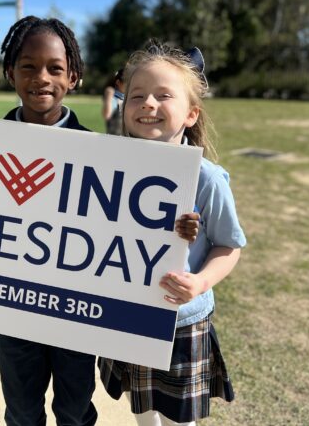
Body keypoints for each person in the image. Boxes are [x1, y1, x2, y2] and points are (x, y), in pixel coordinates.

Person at [0, 17, 199, 426]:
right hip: (12, 313)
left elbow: (131, 225)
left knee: (74, 412)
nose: (41, 78)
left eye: (55, 68)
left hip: (77, 315)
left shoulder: (103, 154)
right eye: (28, 66)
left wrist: (172, 229)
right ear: (10, 73)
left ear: (72, 76)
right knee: (21, 411)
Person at [98, 41, 246, 426]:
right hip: (127, 313)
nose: (148, 103)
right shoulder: (107, 169)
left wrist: (199, 282)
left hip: (181, 324)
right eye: (137, 95)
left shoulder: (207, 179)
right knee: (143, 413)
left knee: (180, 420)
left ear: (191, 113)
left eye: (163, 95)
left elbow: (229, 246)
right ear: (122, 106)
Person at [102, 68, 125, 134]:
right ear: (118, 82)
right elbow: (107, 115)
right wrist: (108, 98)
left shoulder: (130, 97)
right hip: (115, 139)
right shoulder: (113, 98)